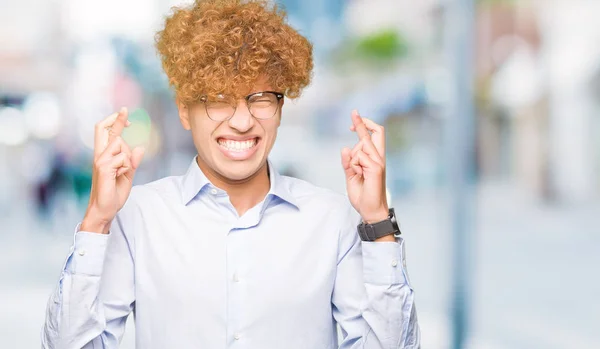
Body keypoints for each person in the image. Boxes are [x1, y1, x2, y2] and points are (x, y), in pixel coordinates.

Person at [41, 0, 420, 348]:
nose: (242, 121)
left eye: (260, 98)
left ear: (281, 108)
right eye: (219, 99)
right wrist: (97, 221)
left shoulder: (333, 220)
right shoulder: (139, 215)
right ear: (185, 110)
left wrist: (377, 223)